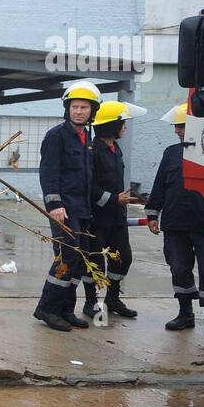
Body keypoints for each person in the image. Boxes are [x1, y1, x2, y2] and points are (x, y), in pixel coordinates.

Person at [145, 103, 204, 344]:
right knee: (179, 269)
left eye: (181, 127)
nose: (177, 131)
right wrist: (153, 213)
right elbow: (160, 184)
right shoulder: (171, 153)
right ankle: (185, 314)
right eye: (176, 127)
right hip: (174, 222)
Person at [34, 80, 100, 332]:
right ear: (67, 108)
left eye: (84, 107)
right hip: (63, 210)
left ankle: (65, 309)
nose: (79, 111)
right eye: (75, 106)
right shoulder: (56, 136)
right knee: (66, 258)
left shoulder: (86, 138)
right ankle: (47, 308)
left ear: (92, 111)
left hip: (81, 210)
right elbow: (48, 173)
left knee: (79, 261)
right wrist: (54, 204)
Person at [83, 100, 145, 320]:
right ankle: (90, 302)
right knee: (95, 261)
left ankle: (112, 299)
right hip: (97, 218)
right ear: (111, 125)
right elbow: (89, 185)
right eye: (122, 123)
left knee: (123, 258)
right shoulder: (91, 151)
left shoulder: (115, 149)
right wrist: (112, 199)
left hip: (116, 217)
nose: (125, 127)